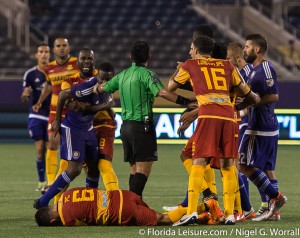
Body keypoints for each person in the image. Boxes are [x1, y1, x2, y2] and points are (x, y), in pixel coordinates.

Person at [170, 36, 260, 226]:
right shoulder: (228, 66)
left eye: (191, 48)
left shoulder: (190, 65)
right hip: (228, 116)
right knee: (228, 165)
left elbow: (171, 86)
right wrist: (247, 103)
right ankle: (229, 214)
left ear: (196, 49)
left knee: (198, 161)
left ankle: (192, 211)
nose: (189, 51)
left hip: (208, 114)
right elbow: (248, 93)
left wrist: (179, 70)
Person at [94, 40, 193, 198]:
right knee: (143, 169)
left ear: (130, 56)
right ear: (149, 56)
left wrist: (95, 87)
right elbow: (162, 93)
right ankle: (130, 206)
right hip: (142, 126)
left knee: (134, 169)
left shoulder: (122, 75)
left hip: (125, 127)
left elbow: (103, 88)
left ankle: (134, 202)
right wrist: (187, 102)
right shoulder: (148, 75)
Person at [33, 48, 113, 209]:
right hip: (72, 129)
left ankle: (91, 205)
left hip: (88, 129)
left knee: (93, 168)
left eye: (107, 81)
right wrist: (56, 120)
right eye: (103, 80)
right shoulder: (85, 86)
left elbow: (110, 102)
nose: (105, 84)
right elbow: (63, 96)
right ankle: (43, 201)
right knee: (74, 169)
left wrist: (95, 109)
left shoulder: (105, 85)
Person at [239, 34, 287, 221]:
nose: (245, 50)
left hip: (259, 126)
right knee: (267, 169)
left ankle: (276, 198)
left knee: (242, 164)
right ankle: (273, 211)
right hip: (264, 125)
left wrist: (250, 103)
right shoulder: (253, 70)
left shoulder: (265, 68)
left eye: (247, 47)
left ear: (256, 49)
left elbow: (273, 95)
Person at [35, 187, 220, 226]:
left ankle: (206, 206)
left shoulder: (66, 219)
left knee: (163, 220)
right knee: (158, 215)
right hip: (124, 194)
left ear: (52, 220)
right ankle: (204, 217)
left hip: (122, 210)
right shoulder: (66, 194)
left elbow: (87, 223)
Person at [32, 38, 79, 193]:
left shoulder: (77, 63)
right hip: (55, 111)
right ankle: (51, 182)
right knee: (52, 143)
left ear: (68, 47)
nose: (61, 48)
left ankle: (68, 179)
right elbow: (49, 86)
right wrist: (39, 101)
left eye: (64, 45)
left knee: (73, 149)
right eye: (58, 46)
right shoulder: (49, 68)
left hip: (74, 111)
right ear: (54, 49)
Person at [226, 42, 256, 220]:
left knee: (237, 166)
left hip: (245, 123)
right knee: (239, 166)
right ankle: (245, 208)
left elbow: (254, 100)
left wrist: (239, 112)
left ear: (237, 58)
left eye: (228, 59)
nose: (226, 62)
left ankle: (245, 208)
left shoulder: (247, 74)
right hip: (240, 121)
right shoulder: (237, 72)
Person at [21, 44, 51, 191]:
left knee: (50, 148)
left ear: (50, 55)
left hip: (52, 115)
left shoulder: (54, 72)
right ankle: (41, 182)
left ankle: (50, 182)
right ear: (36, 55)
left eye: (46, 52)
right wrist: (25, 95)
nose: (44, 54)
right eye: (41, 52)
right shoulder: (30, 74)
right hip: (36, 115)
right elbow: (24, 96)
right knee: (40, 149)